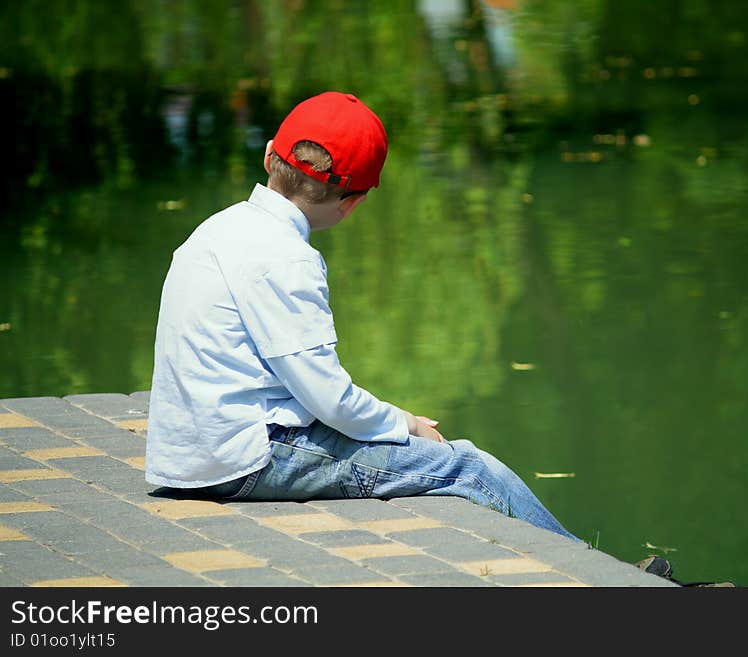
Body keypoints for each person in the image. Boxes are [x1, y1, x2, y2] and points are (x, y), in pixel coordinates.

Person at [145, 91, 581, 542]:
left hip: (187, 454)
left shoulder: (216, 229)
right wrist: (405, 424)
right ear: (352, 202)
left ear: (269, 153)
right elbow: (327, 398)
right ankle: (593, 572)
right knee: (469, 467)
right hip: (248, 459)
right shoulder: (287, 257)